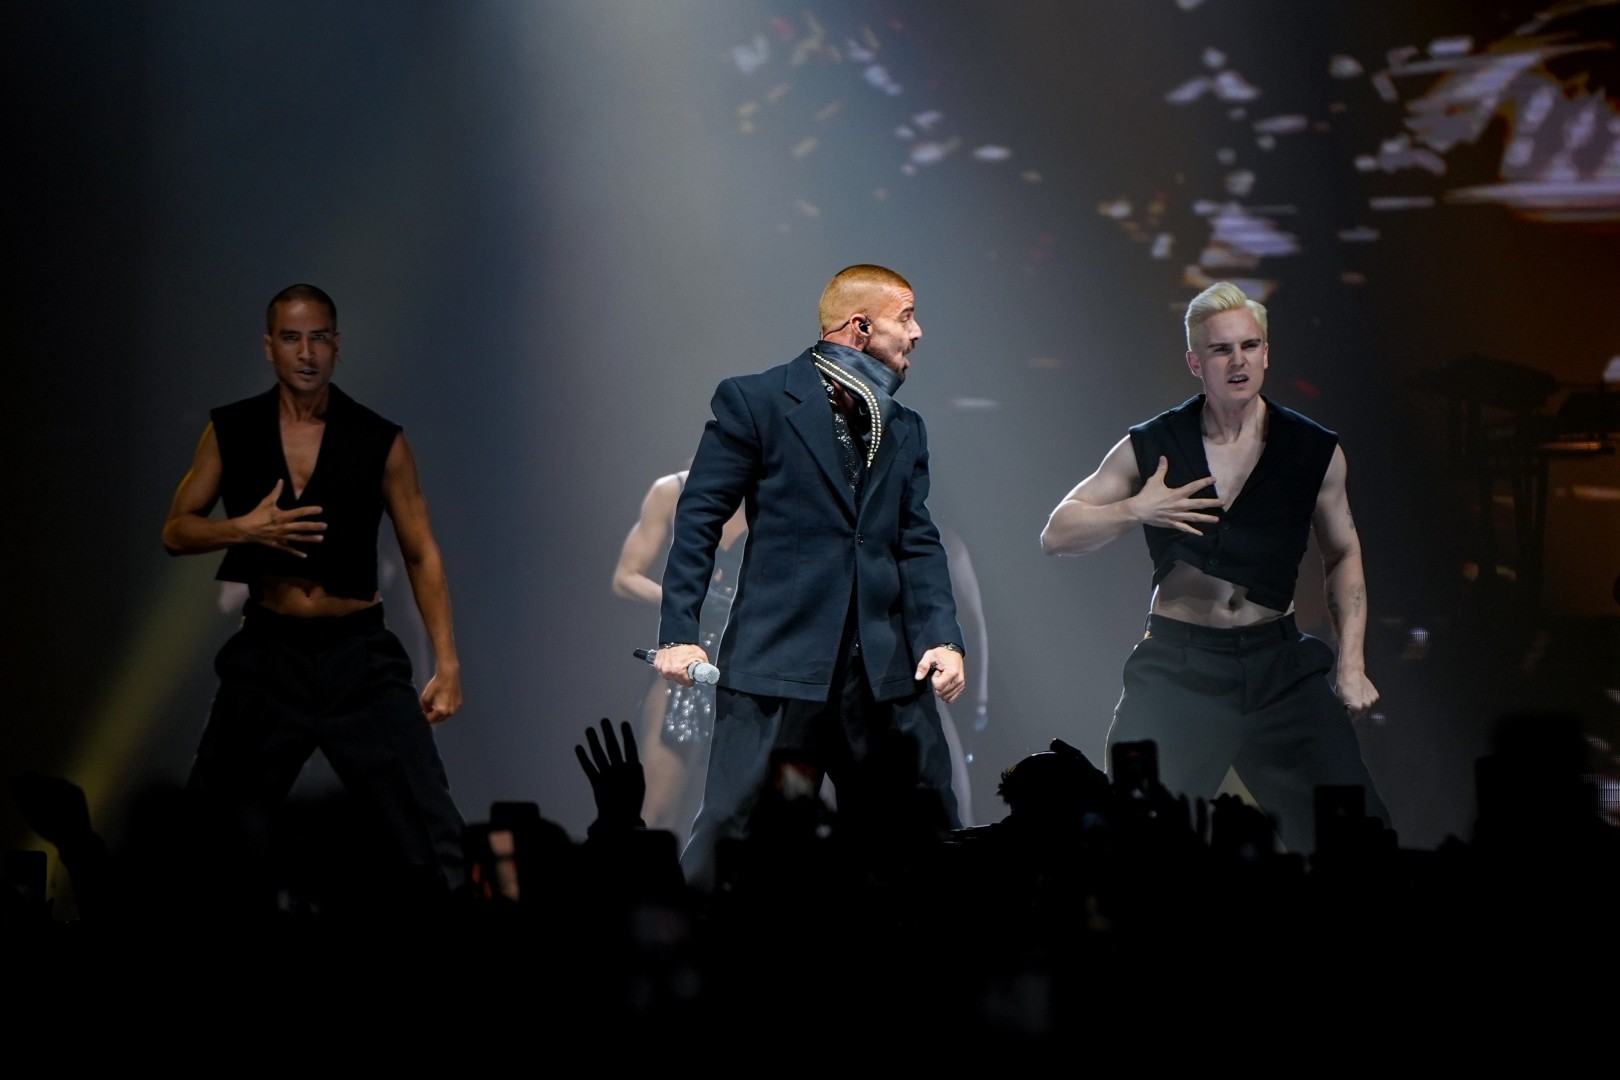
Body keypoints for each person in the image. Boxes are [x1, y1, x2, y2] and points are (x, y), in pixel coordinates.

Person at [1039, 280, 1389, 855]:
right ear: (1195, 363)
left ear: (1267, 353)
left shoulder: (1313, 450)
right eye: (1221, 350)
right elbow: (1057, 532)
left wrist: (1352, 664)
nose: (1238, 361)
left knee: (1358, 839)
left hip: (1278, 666)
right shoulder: (1154, 443)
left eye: (1249, 346)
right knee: (1133, 845)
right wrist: (1136, 509)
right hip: (1181, 668)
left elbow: (1343, 551)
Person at [655, 264, 967, 891]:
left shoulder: (903, 425)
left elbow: (916, 541)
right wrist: (679, 634)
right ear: (860, 326)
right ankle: (671, 942)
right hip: (780, 664)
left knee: (924, 834)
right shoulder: (758, 401)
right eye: (906, 318)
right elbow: (699, 519)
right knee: (734, 830)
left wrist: (942, 636)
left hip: (881, 673)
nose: (918, 333)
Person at [162, 283, 466, 913]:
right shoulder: (232, 429)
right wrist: (242, 529)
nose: (306, 353)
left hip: (359, 656)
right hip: (269, 655)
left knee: (431, 833)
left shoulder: (379, 439)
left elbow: (420, 553)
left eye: (319, 338)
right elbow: (177, 530)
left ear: (337, 346)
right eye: (292, 338)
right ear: (269, 347)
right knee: (207, 836)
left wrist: (447, 662)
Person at [611, 468, 746, 843]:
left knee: (737, 815)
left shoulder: (772, 494)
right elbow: (625, 577)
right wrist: (690, 602)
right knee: (656, 810)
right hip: (686, 661)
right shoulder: (671, 491)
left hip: (745, 661)